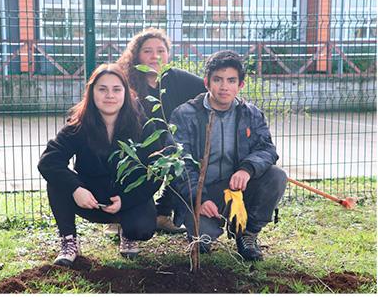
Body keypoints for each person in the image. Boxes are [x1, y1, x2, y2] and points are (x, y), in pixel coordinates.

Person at [37, 63, 162, 267]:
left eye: (116, 89)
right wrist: (76, 189)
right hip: (90, 199)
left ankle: (128, 233)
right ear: (91, 93)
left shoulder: (143, 125)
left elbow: (157, 169)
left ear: (125, 93)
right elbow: (49, 160)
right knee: (58, 181)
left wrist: (126, 200)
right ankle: (69, 242)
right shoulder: (78, 125)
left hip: (126, 199)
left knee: (142, 229)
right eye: (102, 89)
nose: (109, 96)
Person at [169, 50, 287, 261]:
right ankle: (202, 227)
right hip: (203, 191)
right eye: (218, 80)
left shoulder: (250, 113)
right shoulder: (184, 114)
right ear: (207, 82)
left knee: (276, 176)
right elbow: (179, 164)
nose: (224, 87)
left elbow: (267, 150)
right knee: (201, 241)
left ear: (240, 85)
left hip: (237, 190)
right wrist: (200, 198)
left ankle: (247, 233)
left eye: (231, 80)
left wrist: (247, 169)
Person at [117, 27, 207, 233]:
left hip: (170, 145)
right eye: (147, 51)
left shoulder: (176, 78)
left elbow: (210, 90)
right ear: (136, 54)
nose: (155, 56)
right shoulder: (126, 80)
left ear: (168, 54)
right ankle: (122, 215)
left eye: (161, 50)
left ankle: (162, 213)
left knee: (182, 156)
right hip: (136, 146)